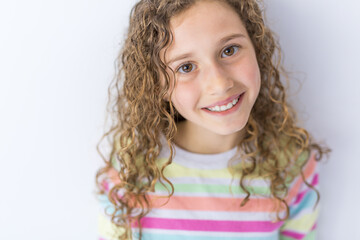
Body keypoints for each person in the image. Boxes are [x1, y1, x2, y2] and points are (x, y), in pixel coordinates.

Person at [96, 0, 330, 239]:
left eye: (229, 50)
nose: (219, 84)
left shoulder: (294, 164)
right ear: (158, 85)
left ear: (257, 47)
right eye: (186, 67)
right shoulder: (130, 166)